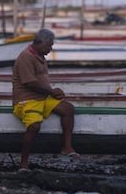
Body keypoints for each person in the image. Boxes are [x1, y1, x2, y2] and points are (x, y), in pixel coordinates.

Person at [12, 28, 79, 171]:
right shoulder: (25, 57)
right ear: (40, 43)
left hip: (42, 97)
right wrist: (52, 91)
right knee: (34, 126)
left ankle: (67, 147)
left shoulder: (40, 56)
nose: (51, 48)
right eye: (49, 45)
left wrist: (52, 93)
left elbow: (41, 82)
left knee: (68, 109)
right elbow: (29, 83)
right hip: (27, 99)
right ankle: (23, 163)